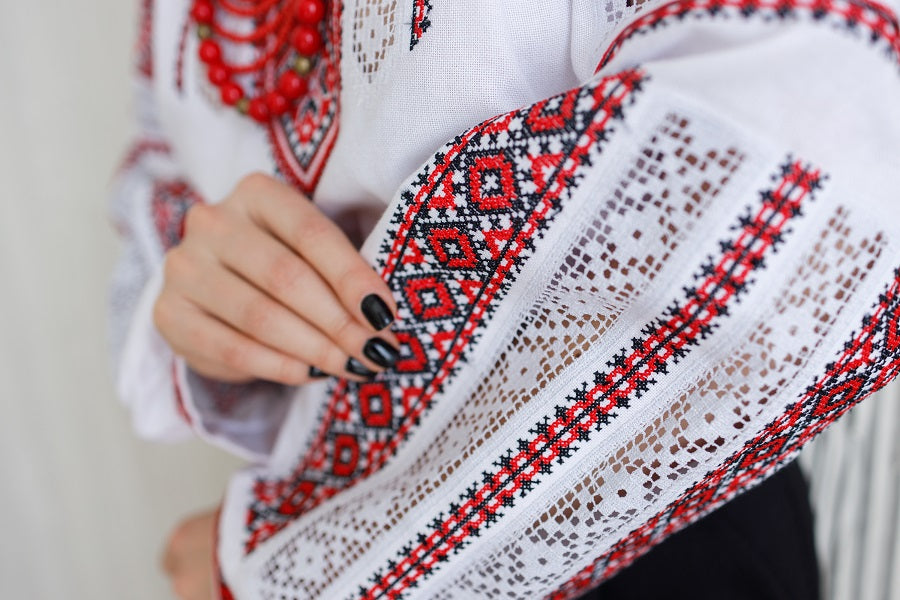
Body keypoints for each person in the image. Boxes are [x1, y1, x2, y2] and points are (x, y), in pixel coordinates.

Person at [109, 0, 900, 598]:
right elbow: (151, 201)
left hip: (629, 530)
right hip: (313, 516)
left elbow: (828, 142)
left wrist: (295, 570)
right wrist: (202, 307)